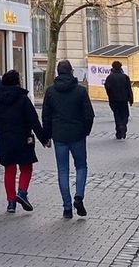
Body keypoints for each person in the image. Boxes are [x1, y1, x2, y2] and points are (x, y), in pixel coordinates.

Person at [0, 70, 48, 214]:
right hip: (23, 138)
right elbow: (33, 120)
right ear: (17, 82)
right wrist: (44, 138)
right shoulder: (23, 99)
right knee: (26, 167)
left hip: (5, 138)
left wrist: (1, 127)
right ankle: (22, 192)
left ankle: (11, 202)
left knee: (9, 169)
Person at [41, 59, 94, 219]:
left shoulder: (50, 91)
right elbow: (89, 114)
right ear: (71, 71)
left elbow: (46, 115)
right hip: (77, 134)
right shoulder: (80, 90)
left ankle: (67, 207)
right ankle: (79, 196)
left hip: (59, 135)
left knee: (63, 170)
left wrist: (46, 135)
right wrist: (85, 130)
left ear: (57, 72)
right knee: (81, 167)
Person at [103, 61, 134, 139]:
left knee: (117, 115)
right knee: (125, 114)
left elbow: (107, 88)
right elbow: (129, 89)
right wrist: (131, 99)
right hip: (124, 99)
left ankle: (119, 131)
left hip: (114, 99)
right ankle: (123, 126)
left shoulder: (110, 77)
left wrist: (110, 96)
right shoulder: (125, 77)